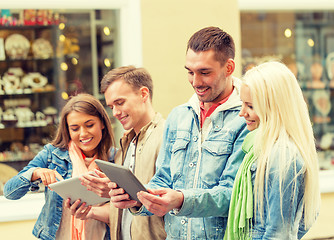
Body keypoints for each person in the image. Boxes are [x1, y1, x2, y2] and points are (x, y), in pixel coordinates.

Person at [108, 26, 249, 239]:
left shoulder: (245, 119)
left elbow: (234, 194)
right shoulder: (178, 116)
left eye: (205, 72)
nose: (196, 82)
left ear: (229, 67)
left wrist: (181, 200)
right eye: (190, 72)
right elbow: (163, 179)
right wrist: (138, 198)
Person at [224, 61, 320, 239]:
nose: (242, 112)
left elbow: (278, 233)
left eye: (251, 106)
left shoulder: (282, 156)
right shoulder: (262, 145)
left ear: (274, 107)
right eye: (243, 104)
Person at [3, 93, 115, 240]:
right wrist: (35, 172)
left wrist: (92, 211)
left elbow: (124, 212)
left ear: (102, 124)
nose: (83, 133)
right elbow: (9, 192)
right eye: (75, 128)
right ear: (67, 130)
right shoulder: (52, 154)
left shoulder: (116, 159)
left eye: (89, 125)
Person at [79, 66, 167, 240]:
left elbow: (168, 199)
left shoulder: (165, 137)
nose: (115, 113)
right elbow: (125, 212)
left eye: (120, 103)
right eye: (111, 106)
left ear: (143, 94)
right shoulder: (126, 143)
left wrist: (120, 189)